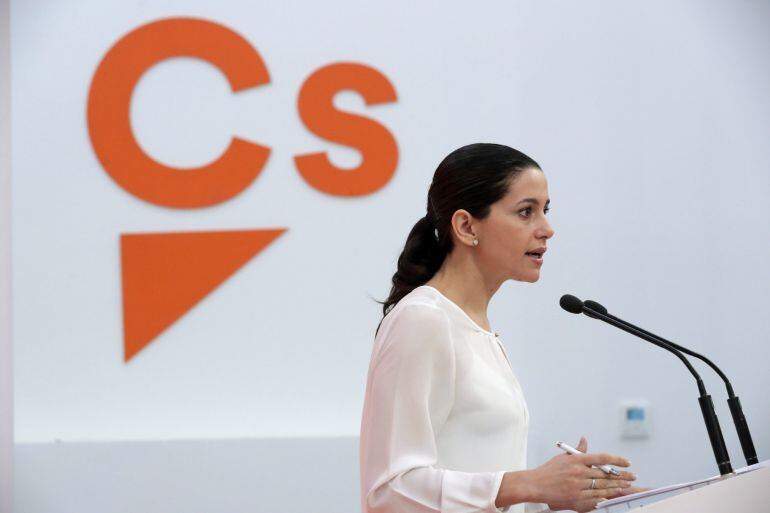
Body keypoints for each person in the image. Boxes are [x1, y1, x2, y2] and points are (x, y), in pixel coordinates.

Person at [359, 143, 640, 513]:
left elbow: (485, 489)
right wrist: (528, 483)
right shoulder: (423, 319)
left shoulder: (476, 328)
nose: (547, 229)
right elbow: (390, 491)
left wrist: (565, 495)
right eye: (526, 212)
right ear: (466, 225)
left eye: (545, 210)